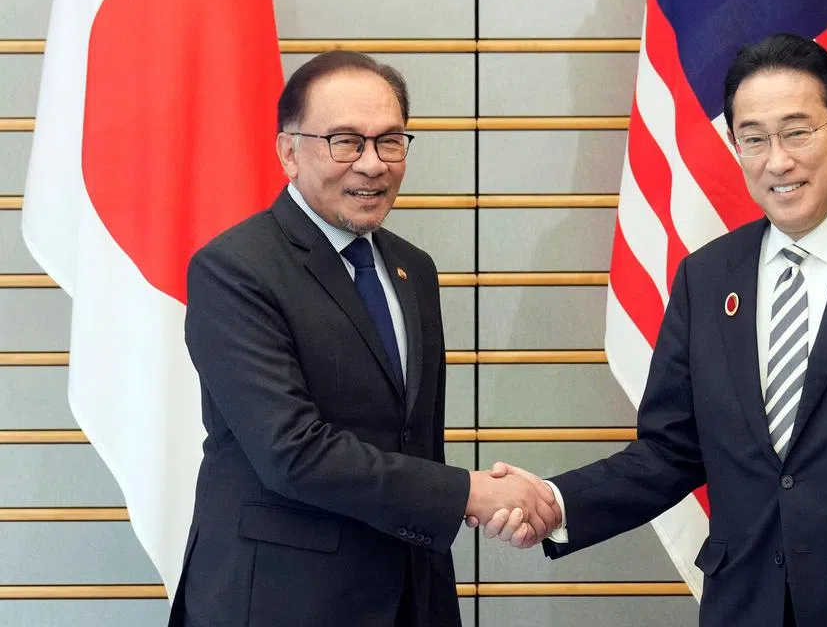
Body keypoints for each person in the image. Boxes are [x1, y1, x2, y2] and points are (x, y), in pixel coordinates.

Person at [479, 34, 827, 626]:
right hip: (746, 604)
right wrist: (555, 503)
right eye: (753, 139)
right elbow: (670, 452)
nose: (776, 160)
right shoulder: (706, 278)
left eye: (797, 132)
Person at [168, 51, 558, 627]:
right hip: (283, 601)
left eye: (390, 141)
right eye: (345, 141)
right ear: (288, 151)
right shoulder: (235, 269)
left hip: (409, 594)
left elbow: (414, 442)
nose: (372, 164)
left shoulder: (412, 269)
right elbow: (291, 451)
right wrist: (468, 494)